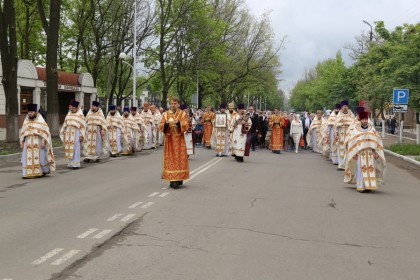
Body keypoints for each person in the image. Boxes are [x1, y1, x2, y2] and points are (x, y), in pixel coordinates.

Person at [344, 111, 386, 192]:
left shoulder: (372, 129)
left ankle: (369, 186)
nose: (364, 121)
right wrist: (354, 153)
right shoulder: (356, 130)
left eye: (366, 119)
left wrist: (377, 152)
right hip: (361, 153)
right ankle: (361, 186)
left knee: (370, 169)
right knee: (361, 169)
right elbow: (353, 142)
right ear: (360, 120)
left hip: (370, 152)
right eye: (363, 119)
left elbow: (377, 141)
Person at [159, 96, 189, 189]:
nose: (173, 105)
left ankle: (180, 178)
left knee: (179, 158)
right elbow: (161, 125)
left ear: (178, 104)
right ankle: (172, 179)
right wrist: (166, 123)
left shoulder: (182, 114)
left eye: (175, 103)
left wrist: (178, 123)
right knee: (171, 159)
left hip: (179, 140)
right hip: (170, 141)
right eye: (172, 103)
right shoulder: (166, 114)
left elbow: (186, 125)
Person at [20, 104, 55, 178]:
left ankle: (43, 170)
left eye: (31, 112)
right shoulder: (26, 121)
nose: (30, 113)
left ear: (35, 112)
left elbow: (45, 132)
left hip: (38, 141)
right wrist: (22, 142)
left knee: (41, 157)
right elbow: (23, 133)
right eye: (29, 112)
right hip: (28, 141)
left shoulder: (41, 121)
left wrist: (43, 142)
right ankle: (27, 173)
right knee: (27, 157)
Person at [60, 100, 86, 169]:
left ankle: (76, 163)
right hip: (68, 133)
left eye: (70, 106)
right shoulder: (69, 114)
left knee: (76, 148)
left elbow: (83, 126)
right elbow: (65, 123)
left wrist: (81, 135)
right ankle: (71, 162)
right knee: (69, 148)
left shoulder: (80, 115)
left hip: (76, 132)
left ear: (74, 107)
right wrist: (64, 131)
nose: (69, 107)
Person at [334, 100, 354, 171]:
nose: (345, 108)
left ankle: (347, 165)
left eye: (346, 106)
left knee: (348, 148)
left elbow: (354, 124)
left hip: (349, 134)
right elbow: (336, 126)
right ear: (341, 108)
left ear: (348, 107)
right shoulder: (339, 115)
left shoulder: (351, 115)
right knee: (341, 149)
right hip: (341, 134)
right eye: (343, 107)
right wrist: (336, 134)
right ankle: (341, 165)